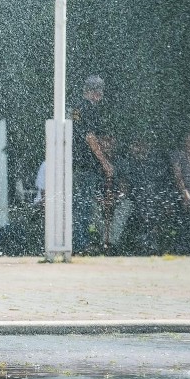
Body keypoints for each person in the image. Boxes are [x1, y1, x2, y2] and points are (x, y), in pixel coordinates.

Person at [70, 75, 114, 254]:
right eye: (99, 91)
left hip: (76, 164)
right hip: (85, 166)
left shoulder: (76, 109)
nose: (101, 95)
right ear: (95, 92)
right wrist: (105, 163)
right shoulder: (89, 109)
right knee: (83, 206)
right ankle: (80, 244)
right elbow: (90, 137)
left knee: (79, 205)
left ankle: (78, 242)